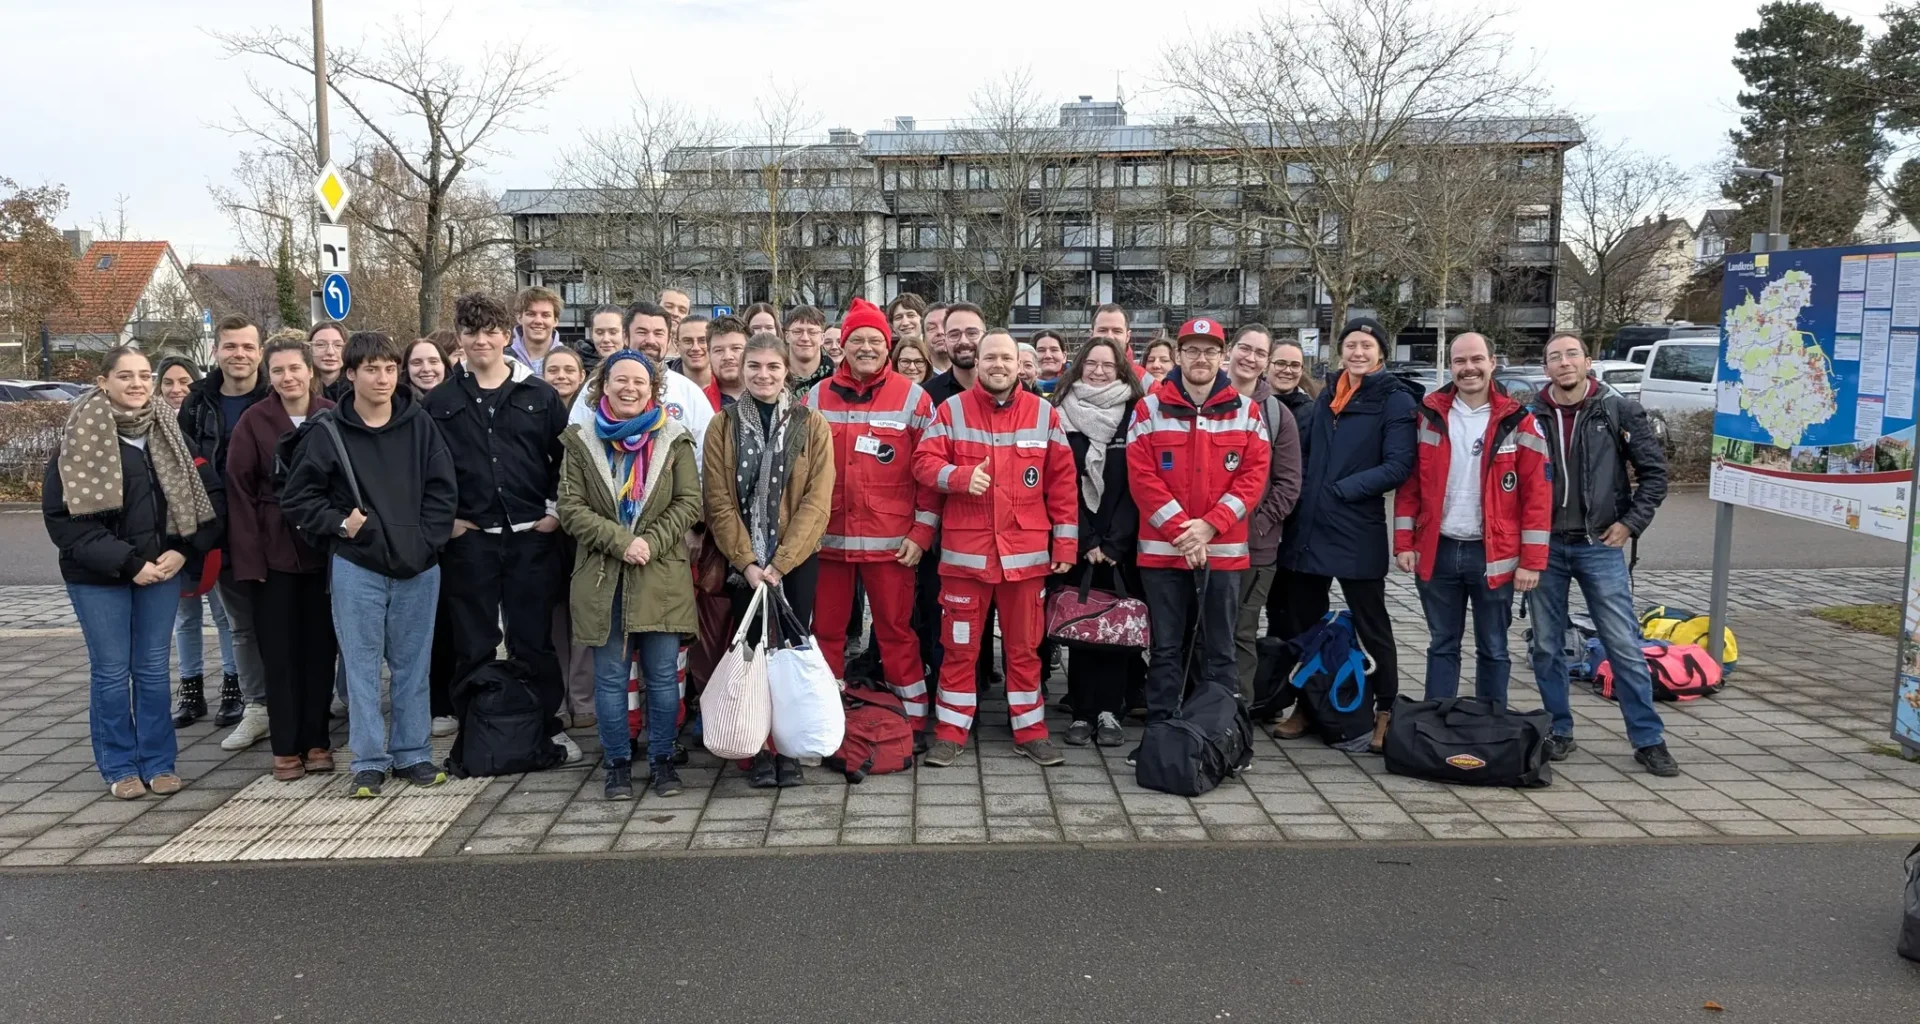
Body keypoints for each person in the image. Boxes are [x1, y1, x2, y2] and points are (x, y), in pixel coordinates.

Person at [282, 331, 457, 797]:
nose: (382, 378)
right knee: (359, 667)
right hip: (357, 566)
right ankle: (368, 761)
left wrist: (426, 543)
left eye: (389, 368)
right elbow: (298, 499)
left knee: (412, 665)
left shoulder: (419, 425)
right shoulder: (327, 431)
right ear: (352, 373)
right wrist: (342, 525)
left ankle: (413, 754)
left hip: (418, 566)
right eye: (371, 369)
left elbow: (443, 491)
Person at [45, 347, 217, 799]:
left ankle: (159, 761)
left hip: (162, 570)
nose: (137, 384)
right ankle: (119, 765)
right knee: (111, 672)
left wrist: (183, 550)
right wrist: (129, 563)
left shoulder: (168, 432)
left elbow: (200, 501)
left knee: (154, 669)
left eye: (144, 375)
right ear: (104, 382)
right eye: (125, 376)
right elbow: (64, 520)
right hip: (99, 578)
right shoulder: (79, 436)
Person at [913, 328, 1078, 768]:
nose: (998, 365)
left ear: (1018, 363)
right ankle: (950, 732)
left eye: (1006, 358)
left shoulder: (1045, 415)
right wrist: (960, 478)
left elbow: (1062, 484)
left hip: (1025, 560)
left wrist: (1065, 542)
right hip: (966, 560)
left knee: (1025, 649)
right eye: (991, 359)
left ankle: (1031, 731)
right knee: (960, 649)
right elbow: (923, 464)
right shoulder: (950, 411)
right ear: (977, 362)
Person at [425, 292, 577, 761]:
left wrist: (555, 512)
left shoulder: (539, 394)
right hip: (470, 541)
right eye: (471, 333)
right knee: (473, 642)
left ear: (504, 333)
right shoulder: (440, 402)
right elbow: (426, 470)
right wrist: (445, 521)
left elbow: (565, 461)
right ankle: (477, 728)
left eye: (490, 331)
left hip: (532, 536)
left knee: (533, 641)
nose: (481, 341)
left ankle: (545, 727)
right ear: (461, 338)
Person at [1526, 332, 1677, 776]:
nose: (1564, 362)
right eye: (1554, 357)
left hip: (1599, 546)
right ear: (1546, 367)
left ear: (1587, 361)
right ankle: (1559, 730)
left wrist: (1631, 523)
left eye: (1572, 354)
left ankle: (1648, 739)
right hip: (1545, 546)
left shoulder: (1617, 410)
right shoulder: (1530, 414)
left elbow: (1655, 475)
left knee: (1624, 646)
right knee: (1547, 647)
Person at [559, 350, 703, 799]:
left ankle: (663, 760)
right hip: (604, 578)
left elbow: (689, 503)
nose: (629, 388)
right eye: (620, 380)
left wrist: (650, 542)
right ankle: (617, 761)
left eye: (639, 382)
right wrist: (623, 542)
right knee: (611, 679)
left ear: (653, 389)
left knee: (662, 677)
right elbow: (570, 507)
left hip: (661, 576)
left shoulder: (674, 438)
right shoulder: (580, 441)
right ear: (603, 386)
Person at [1126, 318, 1272, 751]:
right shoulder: (1148, 409)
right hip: (1163, 554)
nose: (1201, 358)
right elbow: (1142, 478)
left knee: (1221, 651)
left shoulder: (1248, 411)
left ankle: (1223, 740)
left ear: (1222, 357)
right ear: (1179, 355)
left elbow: (1253, 477)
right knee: (1167, 649)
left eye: (1210, 351)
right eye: (1192, 350)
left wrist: (1209, 525)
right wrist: (1181, 532)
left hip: (1223, 553)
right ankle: (1161, 738)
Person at [1272, 318, 1416, 752]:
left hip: (1355, 528)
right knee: (1305, 624)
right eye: (1351, 344)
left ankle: (1386, 711)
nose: (1357, 352)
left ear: (1381, 354)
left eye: (1366, 345)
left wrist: (1339, 491)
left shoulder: (1394, 399)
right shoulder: (1328, 395)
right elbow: (1303, 449)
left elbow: (1398, 465)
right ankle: (1310, 705)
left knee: (1373, 626)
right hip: (1310, 528)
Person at [704, 332, 834, 788]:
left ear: (787, 372)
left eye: (772, 367)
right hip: (745, 565)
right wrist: (748, 563)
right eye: (754, 366)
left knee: (788, 653)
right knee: (751, 654)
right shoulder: (722, 426)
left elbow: (818, 503)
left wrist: (780, 563)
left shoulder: (812, 424)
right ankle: (756, 746)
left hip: (794, 562)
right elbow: (717, 502)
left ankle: (788, 747)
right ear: (742, 369)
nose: (763, 375)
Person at [1393, 332, 1549, 711]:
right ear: (1451, 366)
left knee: (1494, 648)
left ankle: (1490, 725)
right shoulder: (1428, 416)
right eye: (1460, 361)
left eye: (1476, 359)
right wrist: (1403, 543)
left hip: (1492, 554)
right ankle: (1434, 724)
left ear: (1493, 363)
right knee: (1442, 644)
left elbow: (1538, 497)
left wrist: (1532, 561)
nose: (1469, 368)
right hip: (1438, 549)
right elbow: (1410, 485)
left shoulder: (1519, 422)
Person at [801, 298, 938, 728]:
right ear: (842, 345)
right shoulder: (816, 396)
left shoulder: (914, 398)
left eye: (875, 339)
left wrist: (921, 534)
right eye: (856, 338)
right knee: (826, 635)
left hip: (893, 546)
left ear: (888, 344)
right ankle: (828, 717)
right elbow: (799, 472)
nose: (866, 347)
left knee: (896, 634)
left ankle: (914, 720)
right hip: (828, 544)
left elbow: (930, 474)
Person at [227, 336, 338, 781]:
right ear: (267, 376)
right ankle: (285, 747)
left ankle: (317, 742)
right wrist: (249, 563)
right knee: (280, 654)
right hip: (271, 552)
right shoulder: (254, 421)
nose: (288, 377)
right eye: (278, 371)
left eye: (295, 368)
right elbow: (238, 493)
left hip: (324, 548)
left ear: (310, 371)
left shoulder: (330, 414)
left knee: (319, 651)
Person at [178, 315, 273, 751]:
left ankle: (302, 701)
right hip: (224, 533)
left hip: (276, 531)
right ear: (216, 350)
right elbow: (180, 470)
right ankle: (257, 707)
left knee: (293, 620)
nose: (240, 354)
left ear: (260, 351)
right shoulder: (196, 404)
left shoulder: (277, 393)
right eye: (231, 346)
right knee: (243, 627)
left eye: (248, 346)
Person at [1051, 336, 1144, 747]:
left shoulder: (1136, 414)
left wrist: (1114, 542)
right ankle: (1083, 711)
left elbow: (1139, 484)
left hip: (1122, 543)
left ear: (1121, 369)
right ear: (1079, 366)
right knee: (1082, 626)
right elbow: (1058, 480)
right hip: (1077, 536)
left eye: (1109, 365)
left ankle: (1111, 711)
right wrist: (1085, 538)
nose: (1100, 371)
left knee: (1117, 627)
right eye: (1092, 364)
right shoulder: (1059, 413)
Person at [155, 355, 236, 729]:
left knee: (224, 614)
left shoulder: (200, 416)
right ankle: (190, 688)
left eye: (184, 381)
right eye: (168, 382)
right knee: (184, 617)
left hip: (211, 525)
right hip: (170, 539)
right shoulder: (151, 427)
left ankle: (233, 686)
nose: (176, 389)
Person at [1223, 325, 1302, 700]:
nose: (1250, 358)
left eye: (1259, 353)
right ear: (1230, 351)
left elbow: (1288, 484)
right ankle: (1194, 714)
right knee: (1199, 631)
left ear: (1266, 362)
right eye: (1244, 348)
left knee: (1241, 633)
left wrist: (1257, 525)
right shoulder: (1201, 402)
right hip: (1202, 542)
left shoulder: (1277, 415)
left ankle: (1234, 719)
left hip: (1255, 548)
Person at [570, 302, 714, 467]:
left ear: (669, 341)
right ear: (625, 336)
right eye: (642, 332)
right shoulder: (596, 387)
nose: (650, 340)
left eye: (658, 333)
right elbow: (576, 446)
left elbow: (704, 458)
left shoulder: (689, 393)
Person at [923, 305, 983, 406]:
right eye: (954, 335)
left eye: (972, 333)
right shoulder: (926, 396)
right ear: (945, 341)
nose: (963, 341)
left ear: (985, 337)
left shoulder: (1008, 389)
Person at [506, 285, 565, 375]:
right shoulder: (502, 360)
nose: (538, 321)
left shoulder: (571, 360)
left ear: (555, 321)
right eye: (531, 314)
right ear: (519, 318)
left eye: (545, 315)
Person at [784, 304, 833, 396]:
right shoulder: (774, 377)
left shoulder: (837, 379)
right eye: (797, 332)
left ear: (822, 338)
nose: (805, 338)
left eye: (812, 332)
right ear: (787, 336)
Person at [309, 321, 350, 402]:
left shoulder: (357, 388)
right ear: (309, 348)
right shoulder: (300, 388)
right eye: (321, 345)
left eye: (338, 345)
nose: (330, 352)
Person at [675, 314, 713, 389]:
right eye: (687, 341)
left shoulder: (729, 384)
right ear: (677, 345)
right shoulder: (662, 387)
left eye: (703, 340)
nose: (696, 348)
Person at [584, 304, 627, 369]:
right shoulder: (575, 368)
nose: (606, 339)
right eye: (599, 333)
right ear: (591, 334)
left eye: (613, 332)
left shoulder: (639, 368)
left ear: (625, 334)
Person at [1032, 330, 1067, 398]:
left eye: (1054, 350)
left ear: (1064, 356)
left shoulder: (1077, 387)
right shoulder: (1020, 387)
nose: (1048, 356)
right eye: (1041, 350)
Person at [922, 302, 951, 375]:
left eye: (945, 325)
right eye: (932, 328)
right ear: (924, 338)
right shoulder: (917, 382)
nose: (940, 332)